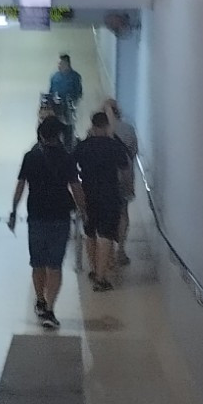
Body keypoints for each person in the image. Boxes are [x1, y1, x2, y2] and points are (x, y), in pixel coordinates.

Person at [9, 116, 83, 330]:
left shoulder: (30, 157)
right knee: (55, 265)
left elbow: (20, 186)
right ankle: (50, 308)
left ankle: (40, 300)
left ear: (41, 135)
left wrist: (13, 210)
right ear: (60, 135)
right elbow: (76, 187)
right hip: (59, 216)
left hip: (36, 215)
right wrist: (83, 209)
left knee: (37, 262)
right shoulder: (67, 158)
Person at [72, 112, 132, 291]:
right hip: (109, 194)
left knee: (89, 232)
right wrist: (127, 188)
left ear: (92, 125)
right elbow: (125, 167)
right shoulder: (114, 146)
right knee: (105, 235)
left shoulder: (83, 146)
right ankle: (101, 277)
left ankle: (93, 269)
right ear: (106, 126)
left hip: (88, 193)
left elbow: (71, 168)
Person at [104, 97, 138, 267]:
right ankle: (121, 250)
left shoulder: (97, 130)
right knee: (123, 212)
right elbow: (133, 152)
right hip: (125, 176)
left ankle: (107, 253)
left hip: (105, 179)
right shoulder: (129, 129)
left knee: (107, 213)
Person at [47, 54, 83, 145]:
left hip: (69, 108)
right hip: (57, 107)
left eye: (60, 63)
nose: (58, 66)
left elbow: (78, 93)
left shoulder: (75, 77)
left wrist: (73, 102)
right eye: (58, 64)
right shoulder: (55, 77)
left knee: (68, 128)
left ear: (67, 64)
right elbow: (51, 91)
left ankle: (68, 143)